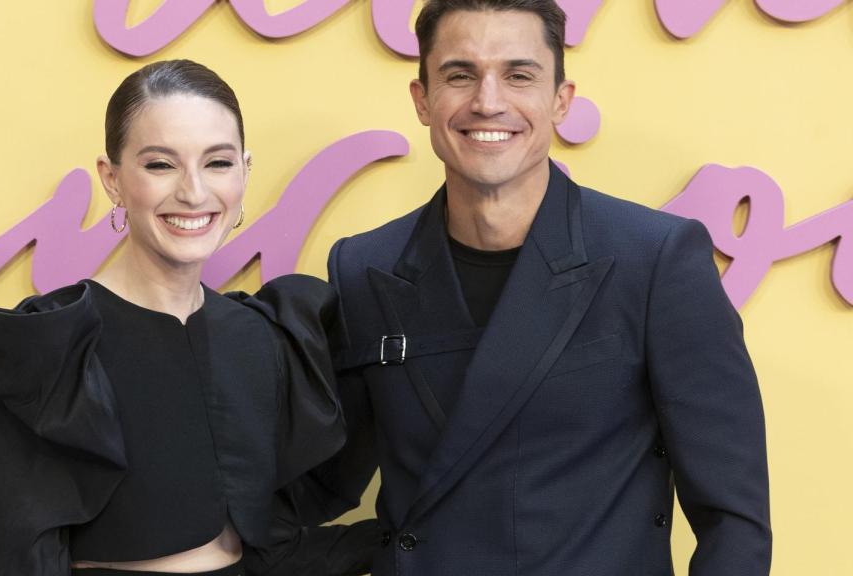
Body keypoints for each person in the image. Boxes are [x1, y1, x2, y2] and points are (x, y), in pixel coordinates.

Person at [321, 1, 772, 574]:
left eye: (519, 74)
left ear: (561, 99)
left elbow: (733, 518)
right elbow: (326, 482)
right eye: (460, 75)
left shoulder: (656, 259)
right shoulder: (363, 266)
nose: (488, 101)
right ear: (422, 99)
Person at [0, 60, 376, 576]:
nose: (193, 192)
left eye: (217, 163)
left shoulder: (264, 336)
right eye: (160, 164)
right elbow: (21, 554)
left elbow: (274, 539)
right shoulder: (52, 346)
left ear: (245, 171)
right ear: (113, 179)